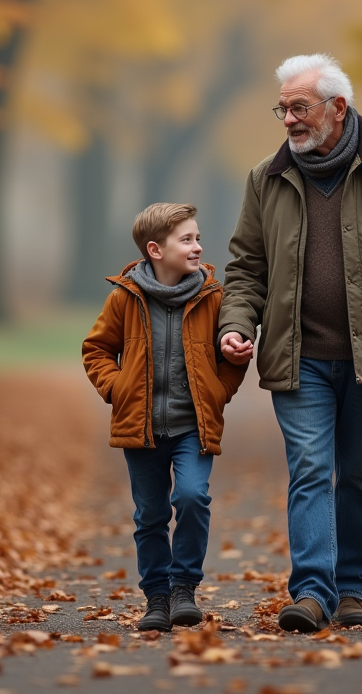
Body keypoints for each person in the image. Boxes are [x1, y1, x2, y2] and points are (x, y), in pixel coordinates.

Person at [218, 53, 362, 632]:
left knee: (358, 475)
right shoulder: (266, 178)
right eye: (283, 108)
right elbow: (247, 266)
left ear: (337, 108)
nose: (289, 120)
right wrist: (237, 325)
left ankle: (350, 588)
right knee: (308, 468)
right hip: (298, 358)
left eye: (299, 107)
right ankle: (312, 593)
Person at [83, 203, 248, 632]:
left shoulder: (213, 297)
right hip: (141, 429)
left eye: (197, 237)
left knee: (192, 498)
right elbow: (96, 350)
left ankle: (183, 589)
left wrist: (220, 390)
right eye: (187, 240)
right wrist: (117, 390)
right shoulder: (124, 297)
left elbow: (233, 356)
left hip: (193, 425)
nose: (198, 247)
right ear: (156, 249)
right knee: (151, 515)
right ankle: (156, 597)